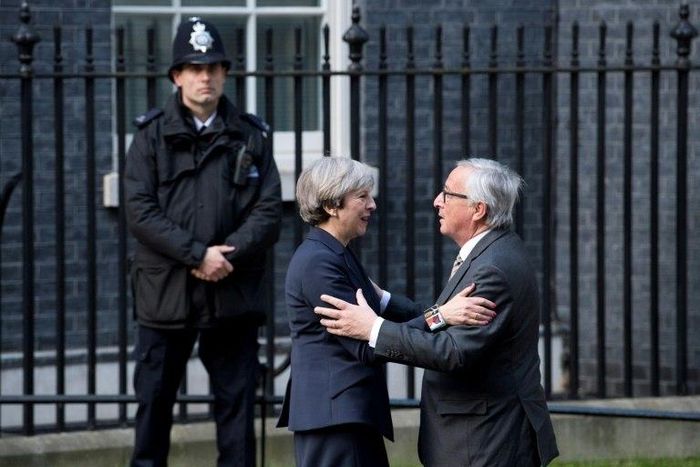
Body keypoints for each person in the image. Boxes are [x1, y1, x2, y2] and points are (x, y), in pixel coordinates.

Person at [315, 158, 559, 467]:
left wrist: (373, 329)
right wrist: (387, 301)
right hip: (481, 435)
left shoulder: (492, 269)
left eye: (447, 194)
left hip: (485, 440)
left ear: (478, 209)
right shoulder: (494, 250)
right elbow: (446, 319)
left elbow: (452, 351)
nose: (436, 201)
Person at [124, 17, 282, 467]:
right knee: (153, 408)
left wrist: (223, 256)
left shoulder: (251, 135)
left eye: (214, 67)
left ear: (225, 73)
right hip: (166, 294)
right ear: (177, 76)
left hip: (231, 293)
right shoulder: (150, 137)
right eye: (194, 68)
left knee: (236, 415)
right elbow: (140, 210)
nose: (205, 76)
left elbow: (268, 211)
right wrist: (198, 255)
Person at [277, 157, 496, 467]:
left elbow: (377, 315)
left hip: (344, 414)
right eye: (362, 197)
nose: (372, 205)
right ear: (331, 205)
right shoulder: (320, 262)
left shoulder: (334, 253)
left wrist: (438, 312)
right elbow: (366, 343)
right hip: (335, 419)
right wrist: (442, 316)